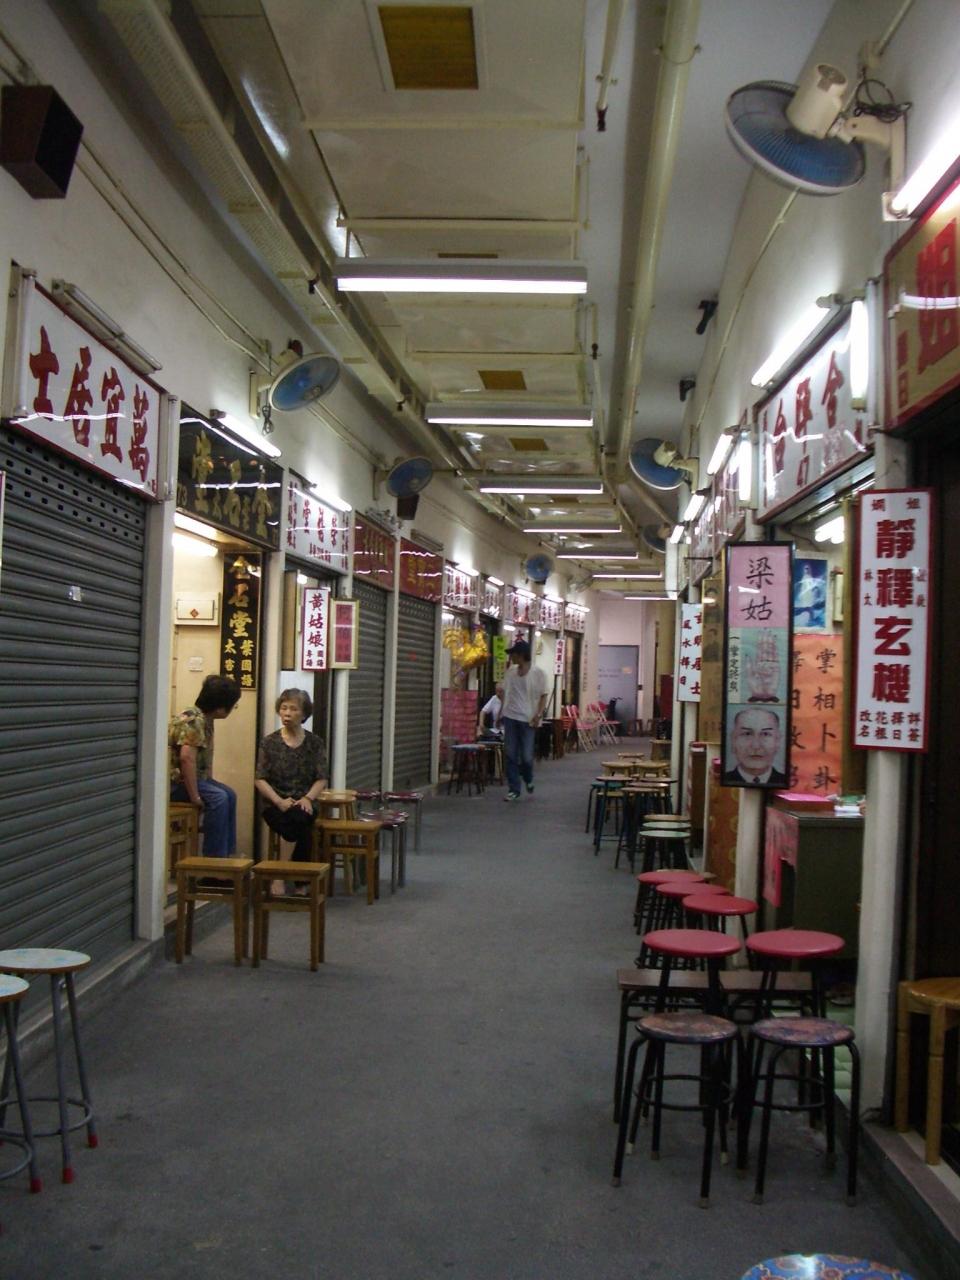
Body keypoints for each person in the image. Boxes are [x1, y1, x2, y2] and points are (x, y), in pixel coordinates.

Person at [254, 689, 329, 876]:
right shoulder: (269, 742)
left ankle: (281, 874)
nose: (287, 713)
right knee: (300, 825)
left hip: (305, 801)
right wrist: (279, 801)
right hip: (274, 803)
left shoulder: (315, 743)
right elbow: (260, 779)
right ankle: (301, 881)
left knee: (299, 817)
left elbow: (321, 778)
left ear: (304, 714)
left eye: (293, 709)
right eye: (284, 708)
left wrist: (308, 798)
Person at [169, 674, 241, 857]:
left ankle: (226, 855)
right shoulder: (194, 721)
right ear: (221, 707)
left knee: (230, 794)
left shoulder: (205, 719)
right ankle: (213, 860)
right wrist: (195, 797)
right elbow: (186, 759)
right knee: (219, 798)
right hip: (176, 783)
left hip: (195, 779)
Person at [500, 639, 548, 801]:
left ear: (521, 655)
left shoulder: (538, 673)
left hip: (528, 720)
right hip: (510, 717)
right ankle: (514, 789)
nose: (511, 657)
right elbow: (503, 692)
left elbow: (543, 695)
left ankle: (528, 778)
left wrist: (539, 714)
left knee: (527, 757)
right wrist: (500, 712)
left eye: (513, 654)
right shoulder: (510, 672)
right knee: (510, 754)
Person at [722, 707, 788, 786]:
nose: (756, 746)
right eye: (747, 734)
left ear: (777, 741)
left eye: (765, 734)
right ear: (733, 741)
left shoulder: (785, 781)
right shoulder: (723, 780)